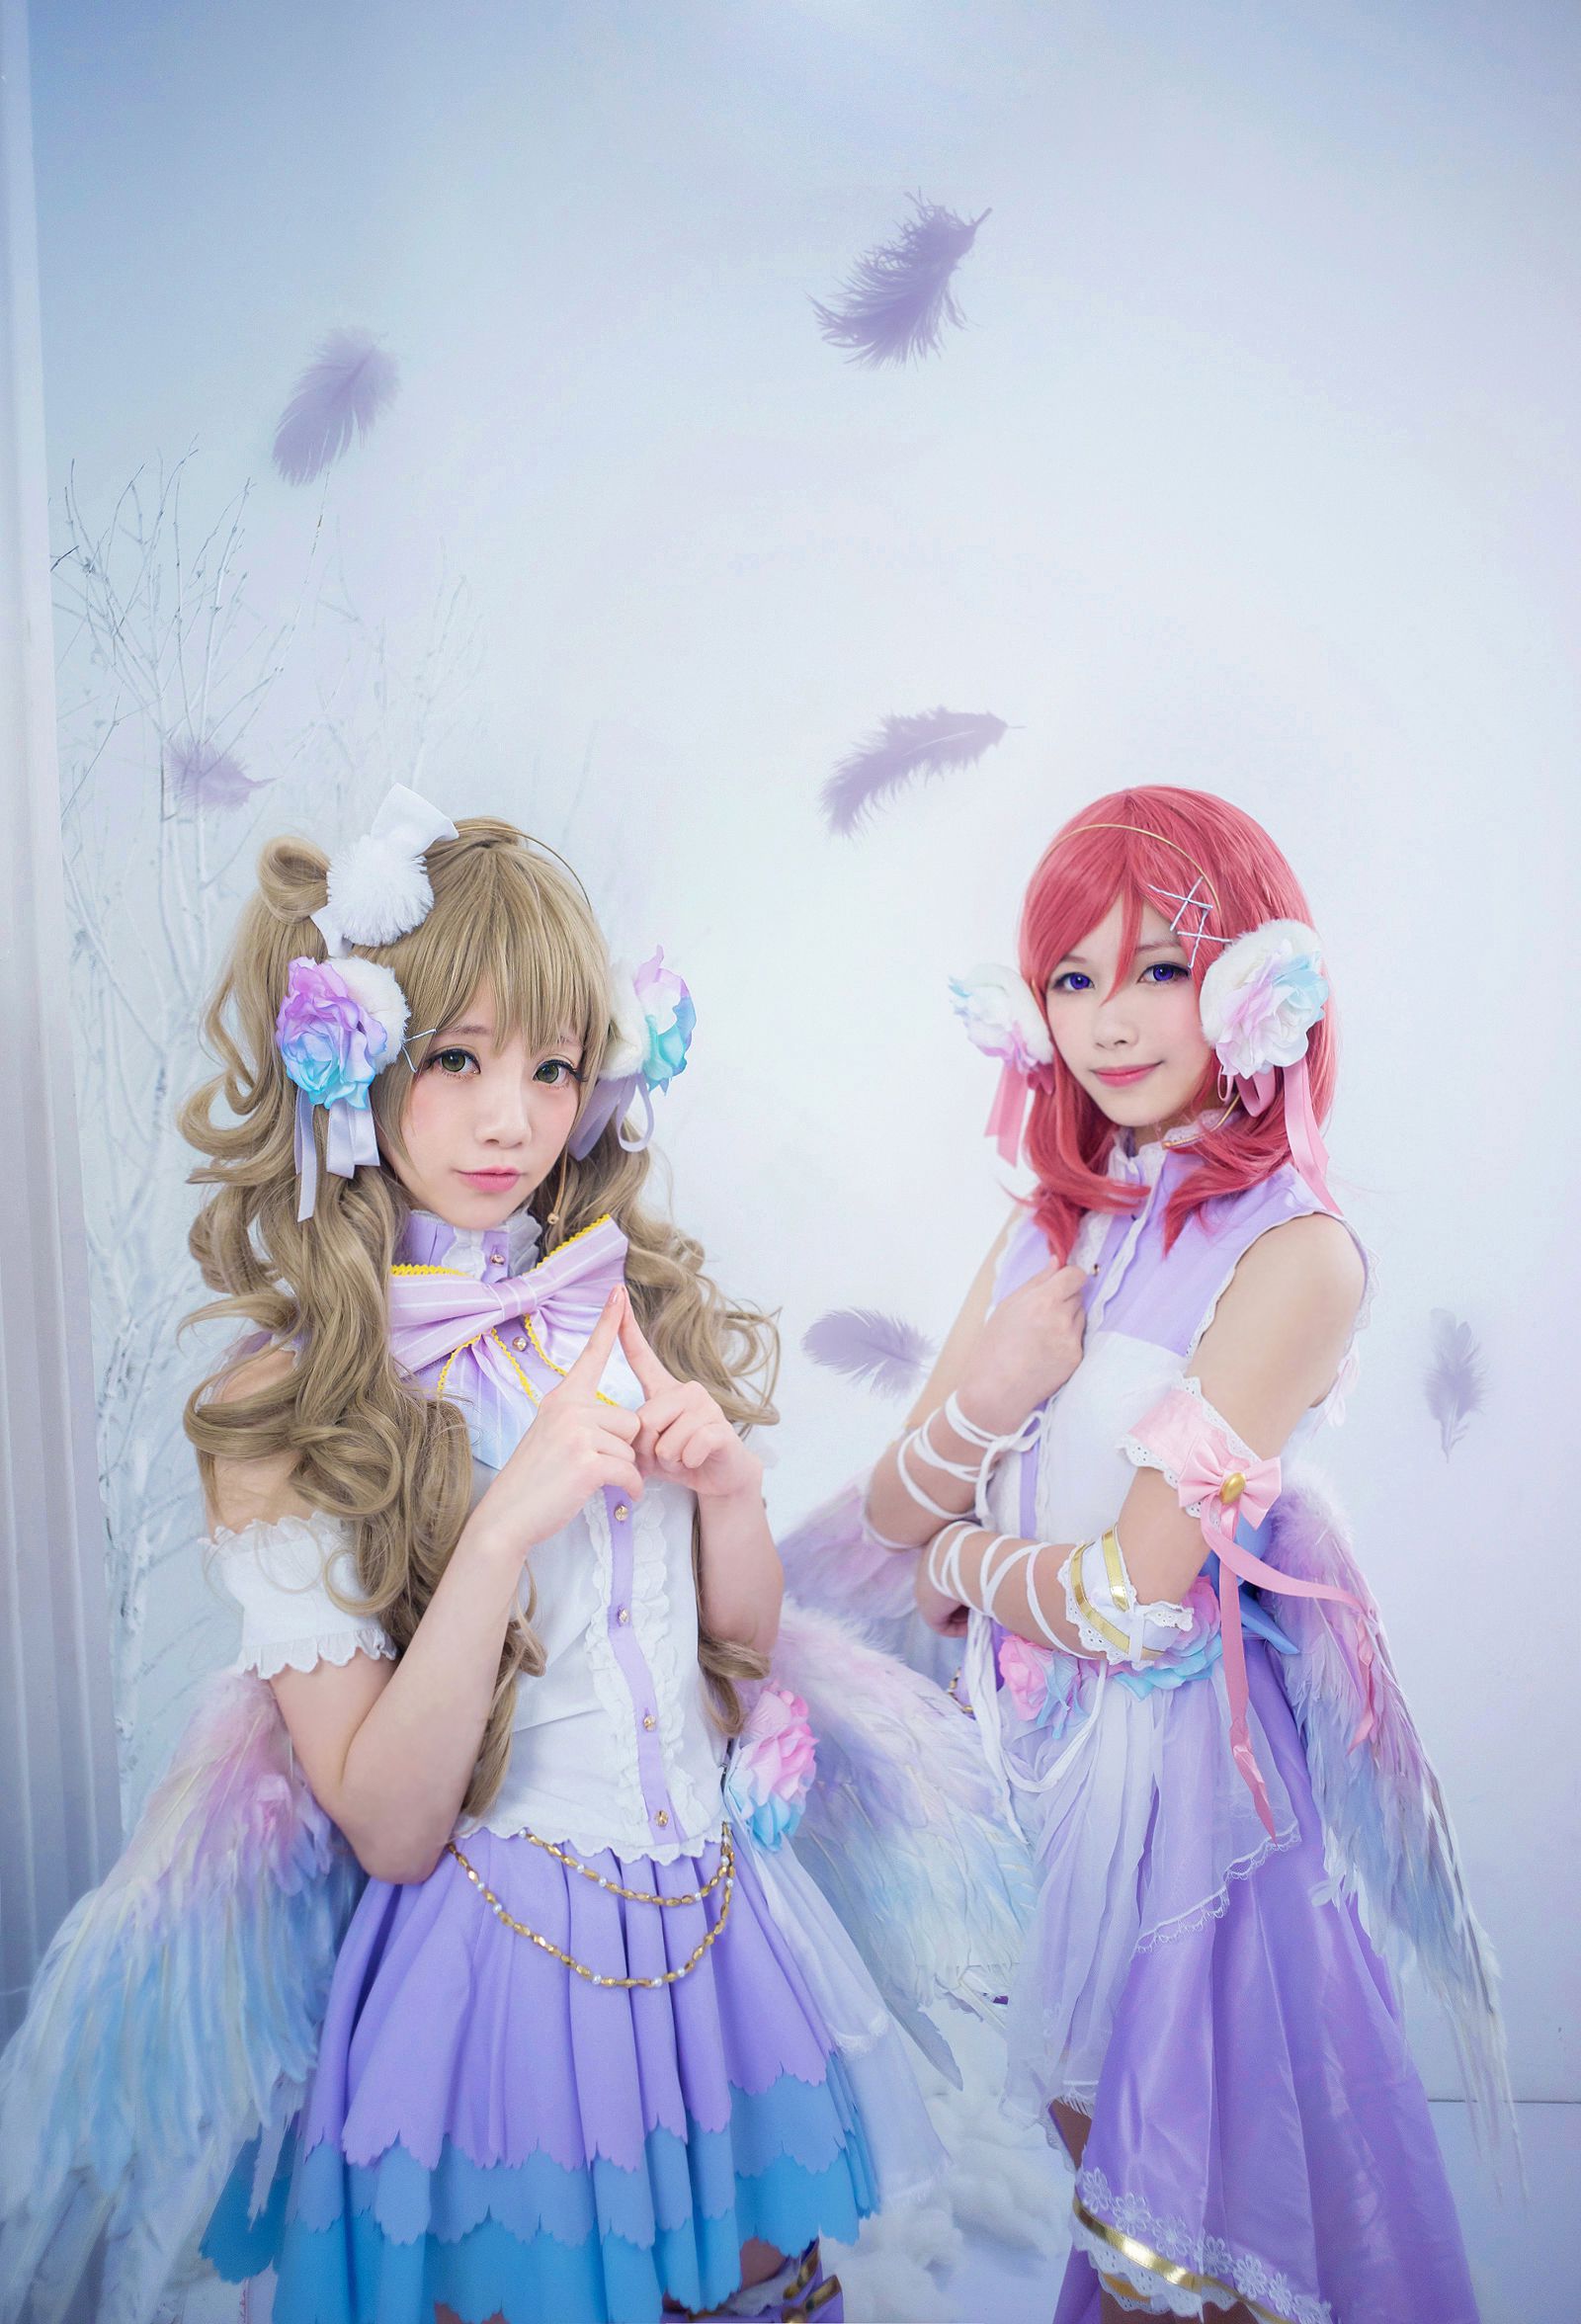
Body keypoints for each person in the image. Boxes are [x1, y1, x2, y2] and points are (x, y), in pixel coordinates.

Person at [2, 787, 966, 2324]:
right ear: (361, 1064)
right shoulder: (291, 1403)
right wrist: (505, 1524)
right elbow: (390, 1823)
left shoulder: (624, 1306)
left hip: (719, 1949)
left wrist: (725, 1497)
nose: (511, 1118)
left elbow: (731, 1682)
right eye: (457, 1058)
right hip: (499, 1977)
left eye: (550, 1065)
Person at [858, 786, 1500, 2323]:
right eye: (1073, 978)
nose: (1110, 1020)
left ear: (1249, 983)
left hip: (1183, 1806)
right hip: (1018, 1772)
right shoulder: (1049, 1224)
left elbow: (1127, 1591)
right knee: (1101, 2211)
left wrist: (963, 1567)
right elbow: (889, 1510)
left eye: (1158, 968)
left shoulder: (1299, 1252)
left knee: (1193, 2253)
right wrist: (993, 1395)